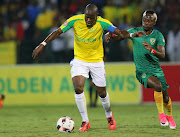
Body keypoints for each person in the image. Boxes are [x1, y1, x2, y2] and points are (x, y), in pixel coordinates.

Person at [32, 4, 144, 132]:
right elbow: (58, 31)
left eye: (91, 18)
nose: (88, 20)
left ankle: (109, 115)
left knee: (102, 92)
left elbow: (120, 32)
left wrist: (132, 35)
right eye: (87, 17)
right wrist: (42, 44)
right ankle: (85, 121)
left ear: (97, 16)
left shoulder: (103, 23)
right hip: (79, 60)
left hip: (97, 61)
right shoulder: (75, 20)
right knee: (78, 88)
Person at [105, 10, 177, 129]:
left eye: (149, 20)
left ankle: (170, 116)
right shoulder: (134, 31)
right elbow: (120, 37)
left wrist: (151, 50)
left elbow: (162, 55)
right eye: (144, 19)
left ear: (154, 22)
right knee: (157, 86)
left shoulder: (158, 35)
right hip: (142, 71)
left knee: (166, 97)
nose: (146, 22)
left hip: (156, 70)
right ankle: (161, 115)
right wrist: (111, 34)